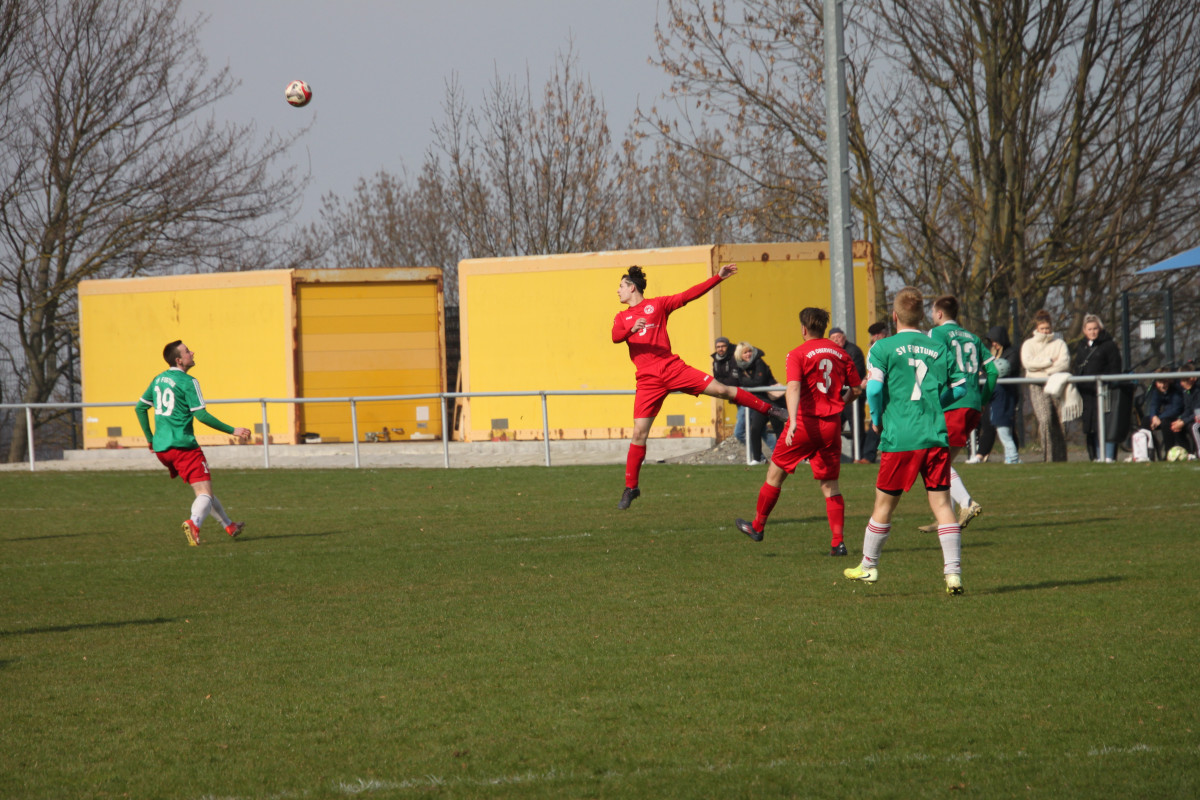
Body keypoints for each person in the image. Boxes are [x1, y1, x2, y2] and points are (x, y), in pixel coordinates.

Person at [612, 264, 787, 509]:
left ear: (632, 287)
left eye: (621, 286)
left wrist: (718, 278)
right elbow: (615, 336)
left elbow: (688, 295)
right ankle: (631, 487)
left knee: (723, 390)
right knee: (639, 433)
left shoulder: (658, 305)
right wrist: (632, 328)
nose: (618, 291)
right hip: (648, 380)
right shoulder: (622, 317)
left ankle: (770, 410)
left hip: (672, 369)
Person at [843, 287, 968, 595]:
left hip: (900, 436)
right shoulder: (937, 345)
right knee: (941, 504)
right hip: (934, 435)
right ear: (923, 315)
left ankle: (869, 566)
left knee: (884, 503)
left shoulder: (882, 348)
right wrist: (938, 401)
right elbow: (962, 388)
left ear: (894, 316)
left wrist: (877, 417)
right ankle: (953, 575)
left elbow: (873, 390)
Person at [733, 307, 862, 555]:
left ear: (803, 329)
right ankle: (838, 542)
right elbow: (856, 390)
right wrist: (838, 405)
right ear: (824, 328)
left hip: (804, 423)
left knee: (775, 474)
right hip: (830, 425)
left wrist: (791, 421)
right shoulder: (841, 353)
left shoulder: (797, 353)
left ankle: (757, 526)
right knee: (831, 485)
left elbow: (792, 389)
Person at [134, 340, 251, 546]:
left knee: (204, 492)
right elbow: (202, 416)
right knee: (204, 493)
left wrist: (151, 440)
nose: (192, 353)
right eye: (187, 351)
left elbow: (140, 408)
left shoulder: (158, 379)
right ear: (179, 360)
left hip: (163, 450)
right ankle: (193, 523)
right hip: (183, 446)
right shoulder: (189, 382)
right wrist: (234, 430)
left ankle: (228, 524)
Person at [915, 296, 997, 534]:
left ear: (939, 314)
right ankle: (945, 518)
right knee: (943, 461)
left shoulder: (936, 334)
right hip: (971, 404)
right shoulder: (972, 337)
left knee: (936, 460)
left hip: (952, 403)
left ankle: (967, 503)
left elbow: (925, 363)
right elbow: (992, 371)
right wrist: (982, 400)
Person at [1020, 310, 1070, 462]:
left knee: (1060, 422)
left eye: (1047, 328)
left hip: (1056, 384)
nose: (1045, 331)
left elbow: (1064, 363)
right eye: (1042, 329)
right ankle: (1047, 457)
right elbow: (1028, 363)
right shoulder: (1029, 344)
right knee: (1045, 420)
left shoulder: (1059, 343)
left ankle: (1061, 458)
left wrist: (1044, 370)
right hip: (1036, 385)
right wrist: (1048, 361)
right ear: (1037, 328)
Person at [1073, 314, 1123, 462]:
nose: (1093, 332)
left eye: (1095, 328)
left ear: (1100, 329)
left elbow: (1115, 368)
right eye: (1089, 329)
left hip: (1104, 391)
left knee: (1106, 423)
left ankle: (1107, 455)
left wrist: (1108, 384)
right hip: (1087, 393)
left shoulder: (1109, 345)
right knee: (1091, 425)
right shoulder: (1082, 347)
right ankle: (1094, 456)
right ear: (1084, 330)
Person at [734, 341, 785, 463]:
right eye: (745, 352)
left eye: (749, 351)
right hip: (761, 404)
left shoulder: (759, 362)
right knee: (755, 429)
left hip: (774, 402)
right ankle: (757, 459)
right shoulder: (740, 367)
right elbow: (741, 382)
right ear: (739, 355)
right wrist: (748, 383)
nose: (748, 354)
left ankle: (783, 458)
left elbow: (760, 381)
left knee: (779, 429)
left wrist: (747, 383)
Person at [855, 321, 888, 464]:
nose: (875, 337)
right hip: (884, 389)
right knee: (877, 426)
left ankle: (868, 456)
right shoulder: (879, 348)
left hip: (883, 390)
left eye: (878, 334)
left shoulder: (879, 348)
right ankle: (868, 455)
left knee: (876, 425)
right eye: (874, 334)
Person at [830, 326, 867, 447]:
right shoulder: (830, 352)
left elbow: (855, 374)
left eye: (838, 337)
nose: (836, 340)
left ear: (844, 338)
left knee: (856, 428)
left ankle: (859, 457)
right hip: (838, 397)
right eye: (833, 338)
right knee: (832, 427)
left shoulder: (853, 351)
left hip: (853, 396)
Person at [1144, 371, 1186, 456]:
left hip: (1178, 416)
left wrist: (1160, 418)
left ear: (1170, 381)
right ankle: (1148, 453)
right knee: (1145, 421)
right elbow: (1154, 405)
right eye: (1160, 382)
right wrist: (1154, 417)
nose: (1162, 385)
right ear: (1156, 383)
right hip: (1163, 417)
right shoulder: (1157, 391)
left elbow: (1176, 410)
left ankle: (1168, 453)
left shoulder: (1176, 390)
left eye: (1165, 382)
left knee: (1166, 423)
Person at [711, 336, 743, 440]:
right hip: (735, 397)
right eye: (718, 347)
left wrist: (722, 383)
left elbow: (734, 380)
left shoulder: (735, 358)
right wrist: (722, 383)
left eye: (723, 346)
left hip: (743, 394)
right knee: (756, 429)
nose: (720, 349)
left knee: (740, 432)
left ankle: (758, 455)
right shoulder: (716, 360)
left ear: (728, 347)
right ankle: (759, 455)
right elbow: (716, 379)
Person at [1177, 362, 1199, 457]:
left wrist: (1184, 421)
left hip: (1198, 417)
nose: (1181, 383)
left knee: (1194, 427)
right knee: (1176, 428)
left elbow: (1197, 412)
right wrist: (1181, 419)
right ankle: (1189, 453)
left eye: (1184, 380)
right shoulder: (1186, 391)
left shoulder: (1198, 390)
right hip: (1195, 417)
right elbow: (1188, 409)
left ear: (1192, 378)